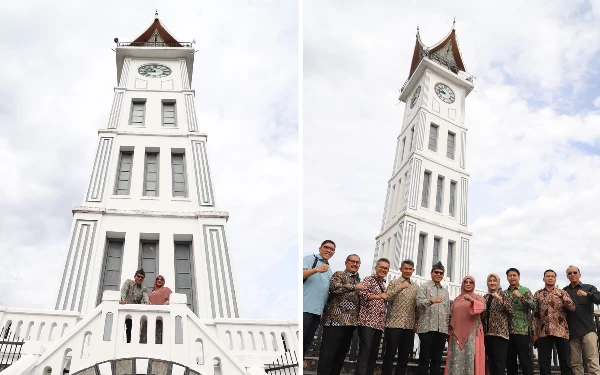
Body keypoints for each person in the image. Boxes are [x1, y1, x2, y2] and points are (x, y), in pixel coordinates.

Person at [317, 254, 364, 375]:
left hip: (349, 324)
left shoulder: (358, 280)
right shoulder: (339, 274)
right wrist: (354, 287)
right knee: (328, 356)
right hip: (335, 321)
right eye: (352, 261)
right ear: (346, 263)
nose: (354, 264)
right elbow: (334, 287)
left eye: (357, 262)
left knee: (340, 357)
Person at [532, 269, 576, 375]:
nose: (550, 278)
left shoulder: (563, 292)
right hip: (543, 332)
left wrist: (561, 296)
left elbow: (572, 307)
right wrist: (534, 333)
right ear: (544, 279)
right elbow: (535, 315)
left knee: (565, 362)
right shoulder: (538, 294)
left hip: (561, 331)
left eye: (552, 276)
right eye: (548, 276)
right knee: (544, 362)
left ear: (555, 279)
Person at [382, 260, 420, 375]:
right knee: (389, 354)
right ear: (401, 269)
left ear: (413, 271)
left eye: (410, 269)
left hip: (409, 326)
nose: (408, 271)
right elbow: (387, 297)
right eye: (406, 269)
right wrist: (400, 287)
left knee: (404, 357)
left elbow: (417, 307)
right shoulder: (394, 282)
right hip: (394, 324)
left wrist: (416, 322)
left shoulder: (416, 287)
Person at [563, 265, 600, 375]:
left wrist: (587, 294)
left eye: (575, 272)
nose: (572, 275)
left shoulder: (589, 288)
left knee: (592, 361)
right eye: (570, 273)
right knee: (575, 363)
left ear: (579, 274)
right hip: (572, 332)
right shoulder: (564, 291)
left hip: (588, 330)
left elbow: (598, 299)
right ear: (567, 276)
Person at [355, 258, 390, 375]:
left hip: (379, 324)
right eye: (381, 267)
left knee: (373, 353)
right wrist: (379, 296)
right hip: (367, 322)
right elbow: (363, 294)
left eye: (386, 268)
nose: (383, 270)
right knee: (365, 351)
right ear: (376, 268)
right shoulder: (369, 279)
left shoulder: (383, 284)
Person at [445, 276, 485, 375]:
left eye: (470, 282)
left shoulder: (478, 297)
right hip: (456, 335)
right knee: (456, 358)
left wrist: (472, 300)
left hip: (472, 334)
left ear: (473, 285)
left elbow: (483, 308)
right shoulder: (457, 299)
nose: (468, 284)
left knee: (470, 358)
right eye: (465, 282)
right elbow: (452, 314)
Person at [416, 261, 450, 375]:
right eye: (436, 272)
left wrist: (447, 329)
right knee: (424, 358)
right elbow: (418, 303)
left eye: (441, 273)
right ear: (431, 273)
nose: (438, 274)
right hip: (427, 328)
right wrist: (431, 301)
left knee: (437, 360)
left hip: (441, 330)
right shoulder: (424, 287)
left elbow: (447, 311)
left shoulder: (445, 292)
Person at [303, 240, 336, 356]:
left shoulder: (329, 269)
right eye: (326, 247)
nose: (329, 250)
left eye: (332, 249)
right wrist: (316, 269)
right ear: (320, 248)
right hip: (305, 308)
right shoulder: (310, 259)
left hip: (317, 312)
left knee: (306, 344)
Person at [504, 267, 536, 375]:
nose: (512, 277)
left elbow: (533, 305)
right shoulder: (504, 293)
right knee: (510, 361)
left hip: (521, 330)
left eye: (514, 275)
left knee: (525, 360)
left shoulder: (525, 290)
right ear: (507, 278)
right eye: (510, 275)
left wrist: (521, 296)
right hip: (507, 332)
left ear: (519, 277)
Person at [482, 273, 513, 375]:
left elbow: (510, 310)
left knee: (499, 363)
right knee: (490, 362)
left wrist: (499, 298)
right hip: (487, 334)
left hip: (500, 334)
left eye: (494, 281)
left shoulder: (504, 295)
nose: (492, 283)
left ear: (498, 282)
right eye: (490, 281)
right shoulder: (485, 297)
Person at [120, 269, 150, 343]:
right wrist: (123, 299)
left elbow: (145, 296)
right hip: (126, 309)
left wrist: (147, 302)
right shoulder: (128, 282)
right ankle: (127, 344)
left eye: (142, 277)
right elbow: (124, 290)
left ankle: (131, 343)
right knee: (122, 328)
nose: (140, 278)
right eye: (138, 276)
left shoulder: (144, 288)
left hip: (135, 312)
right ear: (135, 276)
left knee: (134, 329)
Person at [147, 275, 172, 344]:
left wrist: (167, 302)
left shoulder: (166, 289)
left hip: (162, 315)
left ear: (163, 282)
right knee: (150, 333)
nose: (159, 280)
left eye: (161, 279)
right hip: (151, 314)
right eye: (158, 279)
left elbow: (173, 298)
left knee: (160, 333)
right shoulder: (152, 291)